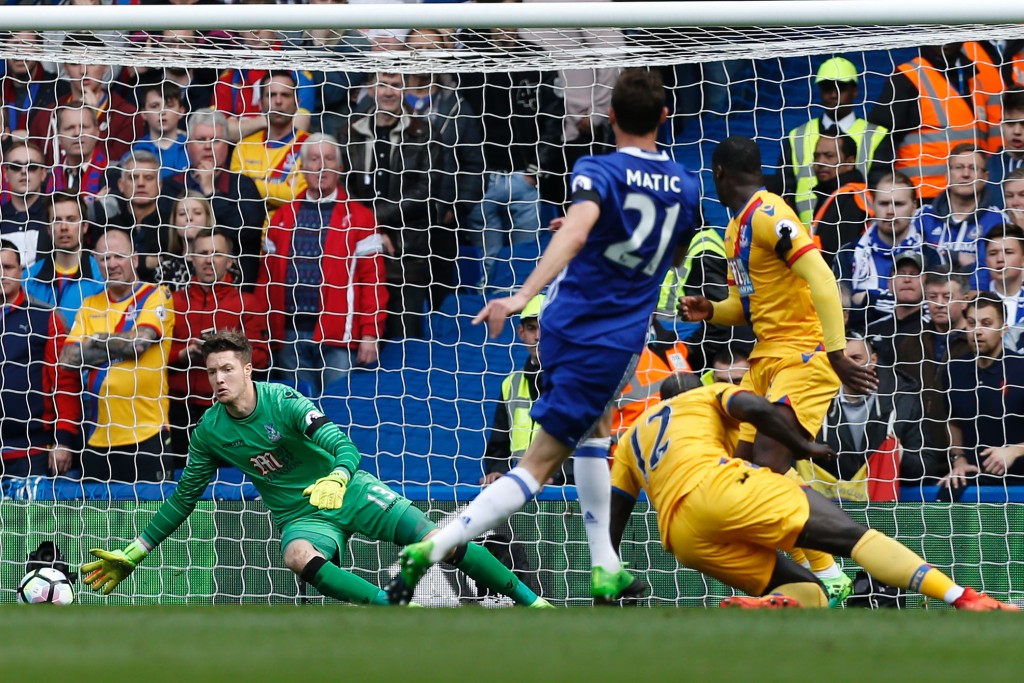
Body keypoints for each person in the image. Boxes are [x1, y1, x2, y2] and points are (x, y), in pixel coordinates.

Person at [387, 69, 700, 606]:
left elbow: (580, 231)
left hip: (574, 326)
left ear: (611, 118)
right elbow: (670, 249)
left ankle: (606, 567)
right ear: (664, 117)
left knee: (594, 435)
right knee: (537, 466)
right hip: (608, 337)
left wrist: (522, 292)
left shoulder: (597, 169)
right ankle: (434, 546)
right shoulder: (686, 183)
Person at [81, 330, 552, 609]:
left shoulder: (283, 401)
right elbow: (184, 497)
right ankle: (389, 607)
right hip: (298, 514)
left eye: (227, 369)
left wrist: (338, 476)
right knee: (298, 555)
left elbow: (344, 447)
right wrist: (135, 551)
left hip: (348, 490)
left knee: (439, 541)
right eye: (211, 373)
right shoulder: (209, 431)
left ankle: (534, 603)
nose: (218, 379)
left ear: (248, 370)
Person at [608, 372, 1017, 611]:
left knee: (808, 594)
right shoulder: (705, 395)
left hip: (681, 536)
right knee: (858, 538)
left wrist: (608, 573)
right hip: (719, 487)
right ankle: (963, 597)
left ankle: (768, 606)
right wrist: (802, 445)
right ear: (697, 386)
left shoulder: (630, 440)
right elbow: (752, 408)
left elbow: (615, 509)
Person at [679, 135, 878, 604]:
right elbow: (747, 309)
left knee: (765, 472)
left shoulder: (771, 214)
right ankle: (822, 573)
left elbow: (823, 278)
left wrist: (834, 353)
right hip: (766, 357)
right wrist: (710, 310)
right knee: (747, 474)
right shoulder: (735, 229)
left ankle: (827, 574)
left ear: (719, 172)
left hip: (805, 356)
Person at [264, 133, 388, 397]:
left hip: (339, 338)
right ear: (303, 167)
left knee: (338, 415)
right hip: (288, 336)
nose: (321, 166)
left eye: (329, 158)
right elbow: (266, 279)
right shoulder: (282, 217)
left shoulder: (362, 218)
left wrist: (370, 334)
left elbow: (373, 282)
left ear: (340, 168)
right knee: (297, 418)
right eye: (314, 159)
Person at [58, 228, 175, 483]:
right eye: (104, 258)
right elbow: (67, 359)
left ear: (134, 259)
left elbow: (139, 343)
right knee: (96, 521)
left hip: (147, 434)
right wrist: (119, 343)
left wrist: (96, 341)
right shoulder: (90, 304)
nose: (111, 264)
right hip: (97, 438)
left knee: (150, 519)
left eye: (118, 256)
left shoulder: (157, 295)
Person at [342, 72, 435, 339]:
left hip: (408, 252)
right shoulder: (349, 130)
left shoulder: (424, 132)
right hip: (358, 248)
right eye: (383, 84)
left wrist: (372, 220)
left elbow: (425, 191)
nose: (389, 92)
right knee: (363, 340)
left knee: (404, 344)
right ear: (371, 88)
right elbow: (344, 184)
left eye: (395, 85)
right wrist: (372, 229)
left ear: (405, 88)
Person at [168, 229, 270, 466]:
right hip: (179, 410)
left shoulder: (247, 303)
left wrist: (226, 353)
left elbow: (262, 358)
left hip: (229, 412)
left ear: (230, 259)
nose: (208, 260)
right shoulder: (173, 301)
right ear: (191, 257)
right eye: (202, 253)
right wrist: (183, 355)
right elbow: (155, 357)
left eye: (217, 253)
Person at [797, 336, 938, 501]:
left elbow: (927, 467)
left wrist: (900, 457)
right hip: (831, 509)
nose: (849, 365)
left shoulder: (903, 402)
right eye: (842, 359)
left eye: (856, 358)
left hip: (883, 512)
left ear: (873, 360)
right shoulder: (815, 402)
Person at [868, 42, 1006, 200]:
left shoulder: (975, 77)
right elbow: (881, 144)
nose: (944, 39)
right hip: (923, 198)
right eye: (938, 29)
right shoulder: (907, 77)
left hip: (973, 198)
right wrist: (878, 195)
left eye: (948, 28)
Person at [771, 57, 888, 228]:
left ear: (854, 91)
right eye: (827, 88)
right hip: (804, 238)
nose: (833, 94)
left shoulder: (876, 135)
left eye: (841, 87)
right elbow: (785, 191)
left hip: (858, 233)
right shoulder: (797, 136)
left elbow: (882, 190)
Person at [162, 108, 267, 288]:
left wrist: (211, 192)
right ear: (188, 145)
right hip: (180, 286)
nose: (208, 146)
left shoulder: (244, 186)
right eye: (201, 140)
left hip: (236, 290)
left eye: (216, 140)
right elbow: (165, 239)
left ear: (227, 145)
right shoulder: (171, 186)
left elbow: (247, 234)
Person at [0, 240, 78, 478]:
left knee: (30, 517)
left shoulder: (45, 317)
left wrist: (63, 439)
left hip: (33, 450)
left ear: (21, 271)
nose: (2, 274)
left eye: (8, 267)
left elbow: (65, 382)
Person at [942, 291, 1024, 489]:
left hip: (1019, 481)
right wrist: (958, 459)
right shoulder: (954, 369)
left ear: (1004, 328)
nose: (977, 331)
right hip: (972, 479)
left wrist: (1014, 451)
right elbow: (953, 422)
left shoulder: (1020, 369)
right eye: (971, 323)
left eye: (986, 324)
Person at [833, 172, 924, 332]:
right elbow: (842, 312)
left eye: (898, 204)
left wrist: (868, 299)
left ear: (913, 207)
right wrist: (901, 304)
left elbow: (932, 309)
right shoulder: (848, 253)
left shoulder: (930, 254)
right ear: (873, 205)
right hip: (861, 344)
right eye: (883, 203)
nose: (890, 211)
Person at [915, 143, 1006, 289]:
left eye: (973, 168)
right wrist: (955, 257)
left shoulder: (998, 220)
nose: (965, 174)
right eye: (958, 167)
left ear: (985, 177)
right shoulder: (923, 216)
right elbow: (911, 262)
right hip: (929, 302)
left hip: (978, 302)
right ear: (947, 175)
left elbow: (996, 270)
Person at [230, 71, 310, 209]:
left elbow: (299, 195)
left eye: (285, 95)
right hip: (250, 228)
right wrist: (280, 189)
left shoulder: (311, 146)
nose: (278, 101)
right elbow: (237, 194)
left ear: (298, 103)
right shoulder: (243, 147)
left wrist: (252, 184)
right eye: (271, 95)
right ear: (260, 103)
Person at [24, 193, 105, 328]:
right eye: (57, 220)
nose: (63, 227)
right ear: (49, 229)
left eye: (71, 219)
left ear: (84, 227)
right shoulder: (27, 279)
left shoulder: (102, 277)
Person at [808, 131, 870, 266]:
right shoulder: (833, 193)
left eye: (829, 156)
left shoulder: (849, 198)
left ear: (850, 162)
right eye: (816, 156)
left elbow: (839, 257)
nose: (820, 162)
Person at [0, 141, 52, 267]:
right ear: (5, 174)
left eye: (32, 167)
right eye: (16, 166)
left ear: (44, 173)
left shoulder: (55, 215)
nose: (23, 171)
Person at [47, 102, 109, 197]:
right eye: (69, 128)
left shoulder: (113, 173)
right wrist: (92, 204)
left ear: (97, 132)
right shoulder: (47, 179)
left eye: (84, 127)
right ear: (58, 137)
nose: (77, 133)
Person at [132, 82, 190, 180]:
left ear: (181, 111)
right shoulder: (135, 152)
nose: (162, 112)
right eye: (154, 106)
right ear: (143, 113)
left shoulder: (192, 148)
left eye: (169, 105)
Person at [984, 223, 1024, 353]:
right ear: (986, 261)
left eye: (1008, 252)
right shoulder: (976, 303)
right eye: (993, 253)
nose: (1000, 259)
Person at [987, 85, 1024, 202]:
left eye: (1023, 124)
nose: (1017, 131)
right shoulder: (986, 168)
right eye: (1010, 123)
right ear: (1001, 125)